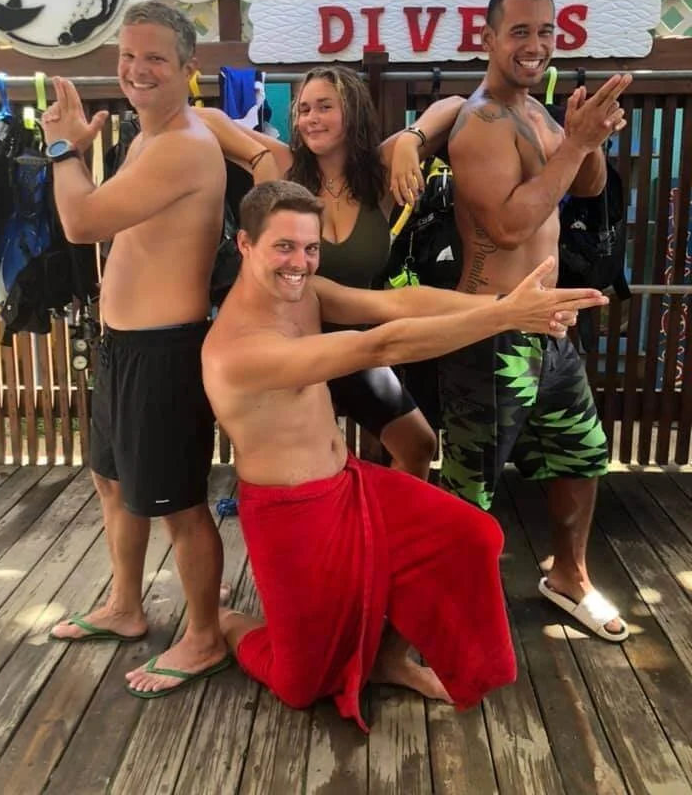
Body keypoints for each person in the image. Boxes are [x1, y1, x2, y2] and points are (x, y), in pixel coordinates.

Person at [200, 179, 609, 729]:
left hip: (347, 485)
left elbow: (395, 302)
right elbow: (381, 344)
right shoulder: (235, 351)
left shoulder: (306, 292)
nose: (301, 262)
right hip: (287, 518)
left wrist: (505, 303)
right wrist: (507, 319)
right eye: (284, 247)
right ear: (245, 245)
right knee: (301, 685)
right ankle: (221, 620)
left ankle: (392, 660)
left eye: (311, 247)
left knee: (472, 536)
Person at [41, 0, 231, 698]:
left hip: (166, 355)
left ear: (188, 68)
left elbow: (84, 221)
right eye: (128, 55)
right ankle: (125, 606)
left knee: (178, 503)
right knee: (113, 481)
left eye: (155, 57)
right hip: (124, 346)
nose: (136, 69)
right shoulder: (146, 136)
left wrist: (62, 147)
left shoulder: (183, 143)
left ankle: (205, 635)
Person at [439, 0, 632, 642]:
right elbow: (511, 224)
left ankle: (568, 578)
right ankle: (452, 610)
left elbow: (588, 186)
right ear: (487, 39)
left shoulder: (540, 116)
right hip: (493, 333)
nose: (536, 44)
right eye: (520, 31)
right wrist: (574, 143)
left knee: (581, 458)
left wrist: (589, 135)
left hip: (550, 335)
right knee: (471, 490)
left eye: (546, 31)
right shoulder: (481, 123)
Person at [196, 67, 464, 479]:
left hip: (352, 346)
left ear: (353, 113)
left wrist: (413, 138)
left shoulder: (379, 170)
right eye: (303, 109)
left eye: (325, 107)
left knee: (419, 444)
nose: (310, 118)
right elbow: (204, 118)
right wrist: (259, 158)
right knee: (308, 465)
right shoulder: (286, 164)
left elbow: (455, 105)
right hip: (290, 346)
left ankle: (387, 531)